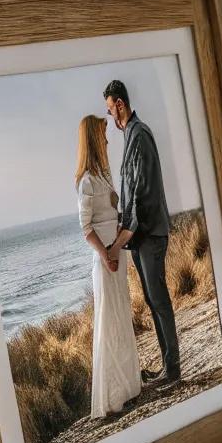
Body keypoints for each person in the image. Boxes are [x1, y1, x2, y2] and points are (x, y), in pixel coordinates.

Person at [103, 78, 181, 385]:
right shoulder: (132, 136)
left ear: (119, 104)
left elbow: (141, 194)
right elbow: (132, 190)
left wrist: (123, 235)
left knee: (159, 300)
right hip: (141, 236)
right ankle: (167, 368)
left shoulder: (139, 135)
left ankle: (173, 371)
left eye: (110, 110)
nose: (110, 116)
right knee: (152, 299)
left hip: (149, 233)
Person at [76, 114, 142, 420]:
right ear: (92, 139)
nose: (106, 140)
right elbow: (85, 227)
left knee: (120, 316)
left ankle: (128, 387)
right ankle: (112, 396)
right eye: (102, 136)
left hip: (115, 251)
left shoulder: (104, 176)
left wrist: (118, 245)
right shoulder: (87, 181)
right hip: (106, 260)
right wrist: (106, 255)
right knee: (108, 320)